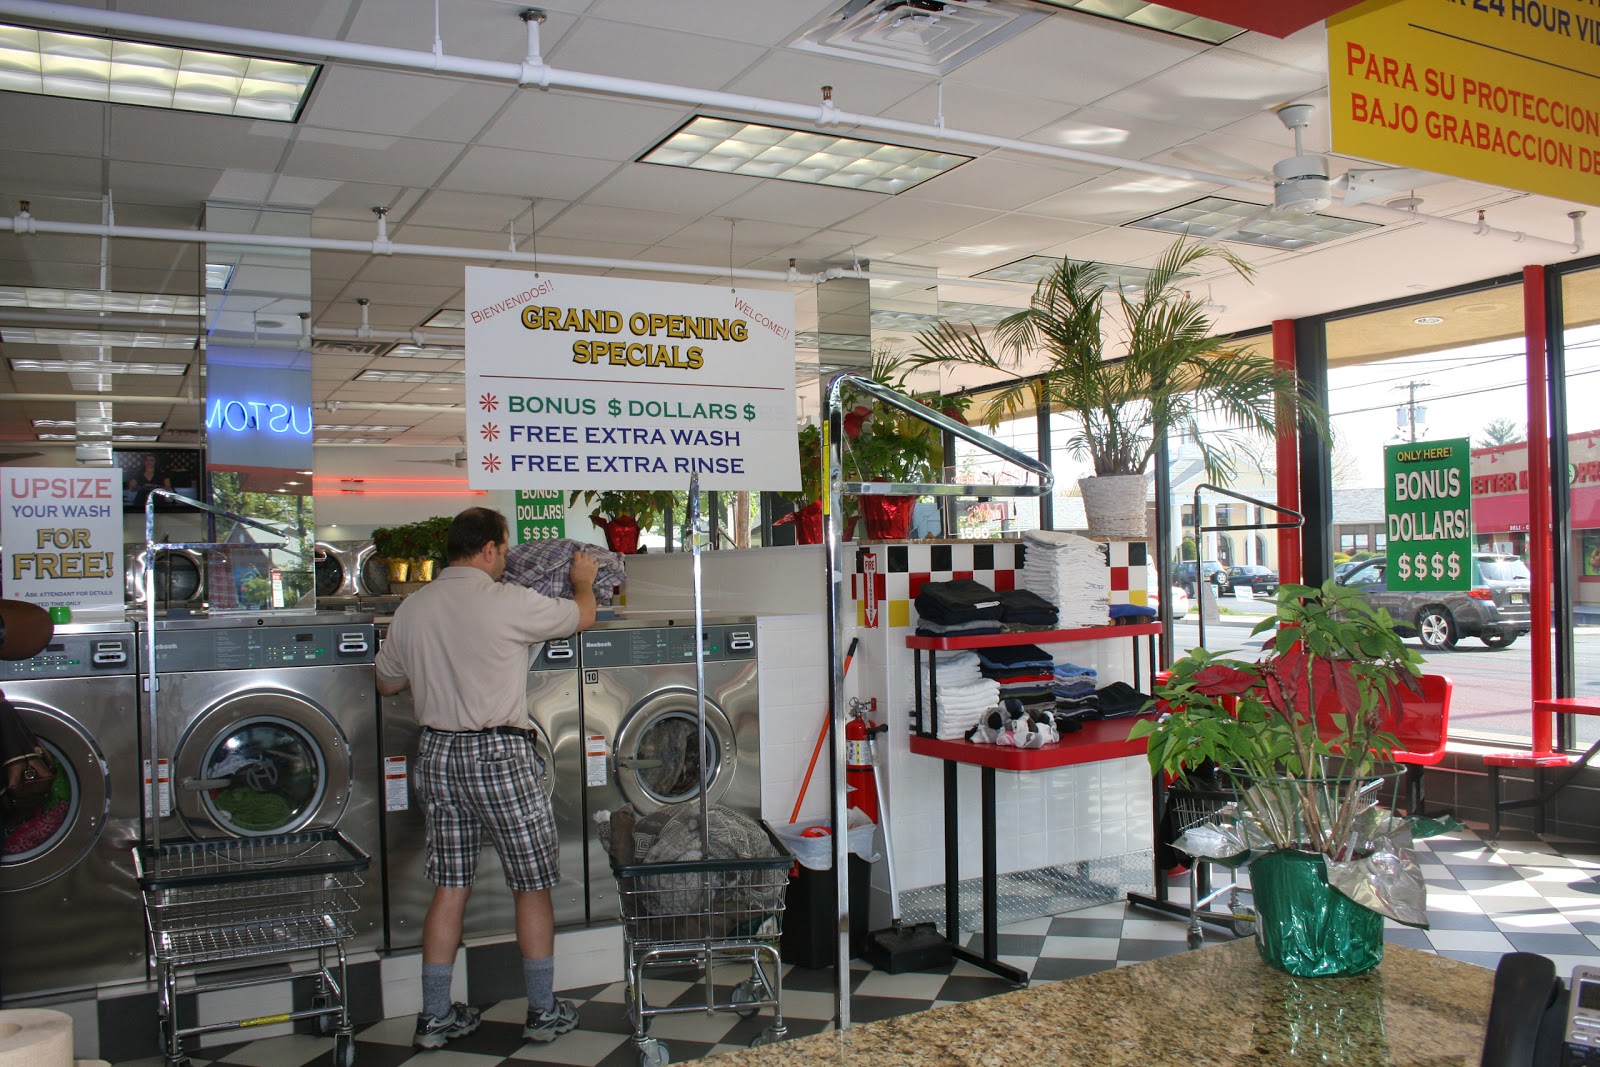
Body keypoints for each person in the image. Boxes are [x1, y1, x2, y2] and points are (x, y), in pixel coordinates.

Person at [374, 507, 599, 1049]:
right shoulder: (508, 602)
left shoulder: (414, 608)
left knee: (450, 887)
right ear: (491, 550)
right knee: (532, 883)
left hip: (439, 756)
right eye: (504, 549)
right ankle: (543, 1012)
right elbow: (583, 616)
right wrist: (583, 582)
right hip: (499, 754)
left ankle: (434, 1018)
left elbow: (385, 684)